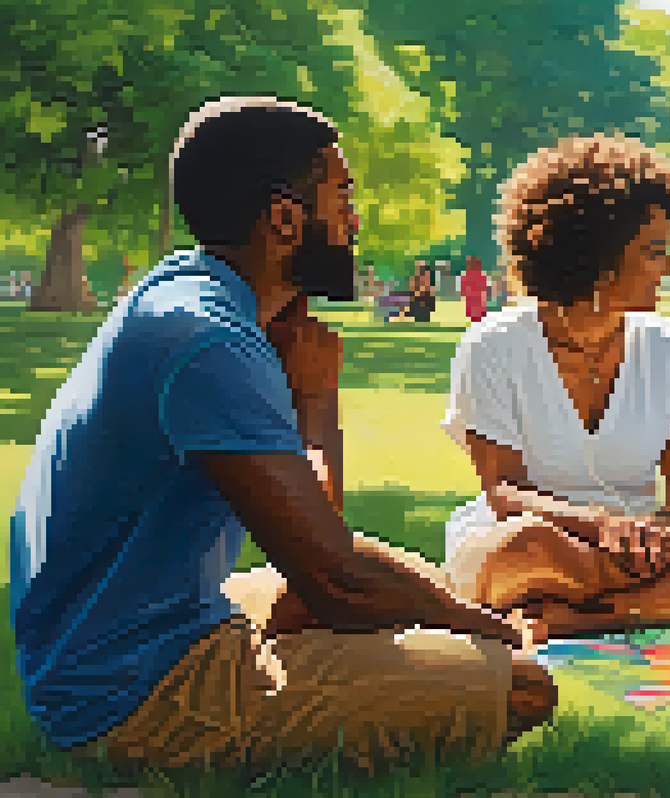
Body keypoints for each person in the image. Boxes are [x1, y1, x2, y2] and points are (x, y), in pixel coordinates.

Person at [9, 97, 554, 774]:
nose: (355, 221)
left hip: (134, 639)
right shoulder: (209, 341)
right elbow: (335, 580)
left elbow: (314, 540)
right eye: (342, 197)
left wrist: (447, 612)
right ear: (285, 219)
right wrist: (486, 628)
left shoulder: (187, 294)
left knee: (421, 594)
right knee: (518, 683)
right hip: (132, 697)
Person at [439, 134, 670, 638]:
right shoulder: (493, 345)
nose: (669, 269)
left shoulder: (666, 344)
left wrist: (667, 526)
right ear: (595, 255)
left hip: (645, 537)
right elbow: (505, 491)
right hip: (545, 538)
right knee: (514, 551)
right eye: (654, 252)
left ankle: (590, 614)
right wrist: (601, 527)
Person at [462, 255, 490, 323]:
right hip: (477, 297)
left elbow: (463, 289)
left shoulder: (467, 275)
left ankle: (475, 321)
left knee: (474, 316)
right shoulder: (480, 275)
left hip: (472, 297)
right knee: (477, 316)